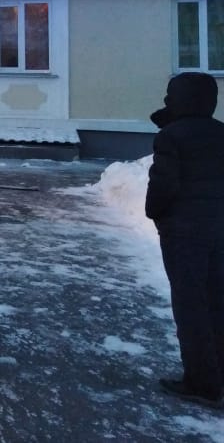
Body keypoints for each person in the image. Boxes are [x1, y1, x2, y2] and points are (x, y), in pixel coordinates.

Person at [146, 71, 224, 410]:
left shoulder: (172, 137)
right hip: (218, 230)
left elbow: (163, 186)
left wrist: (154, 212)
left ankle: (201, 382)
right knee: (217, 302)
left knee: (190, 307)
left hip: (183, 234)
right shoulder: (221, 133)